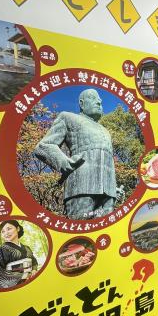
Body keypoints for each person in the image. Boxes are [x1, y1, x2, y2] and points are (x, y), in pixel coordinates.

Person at [34, 88, 124, 219]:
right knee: (80, 226)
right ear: (82, 103)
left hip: (108, 193)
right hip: (81, 185)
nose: (99, 102)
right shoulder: (68, 117)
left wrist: (113, 187)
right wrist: (64, 162)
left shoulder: (105, 131)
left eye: (100, 100)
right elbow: (44, 146)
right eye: (93, 98)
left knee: (105, 228)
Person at [0, 220, 38, 289]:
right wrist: (24, 276)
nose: (6, 233)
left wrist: (34, 270)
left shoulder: (27, 248)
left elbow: (34, 262)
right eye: (3, 231)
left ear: (17, 229)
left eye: (9, 229)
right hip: (15, 288)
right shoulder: (0, 250)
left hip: (32, 282)